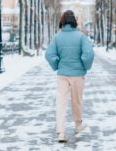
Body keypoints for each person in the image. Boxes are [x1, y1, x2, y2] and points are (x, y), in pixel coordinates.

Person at [45, 10, 94, 143]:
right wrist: (85, 66)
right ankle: (78, 125)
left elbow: (49, 54)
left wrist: (57, 65)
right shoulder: (81, 37)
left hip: (62, 75)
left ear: (62, 22)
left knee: (61, 103)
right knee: (76, 101)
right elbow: (88, 54)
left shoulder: (57, 37)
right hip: (78, 75)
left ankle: (61, 132)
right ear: (74, 22)